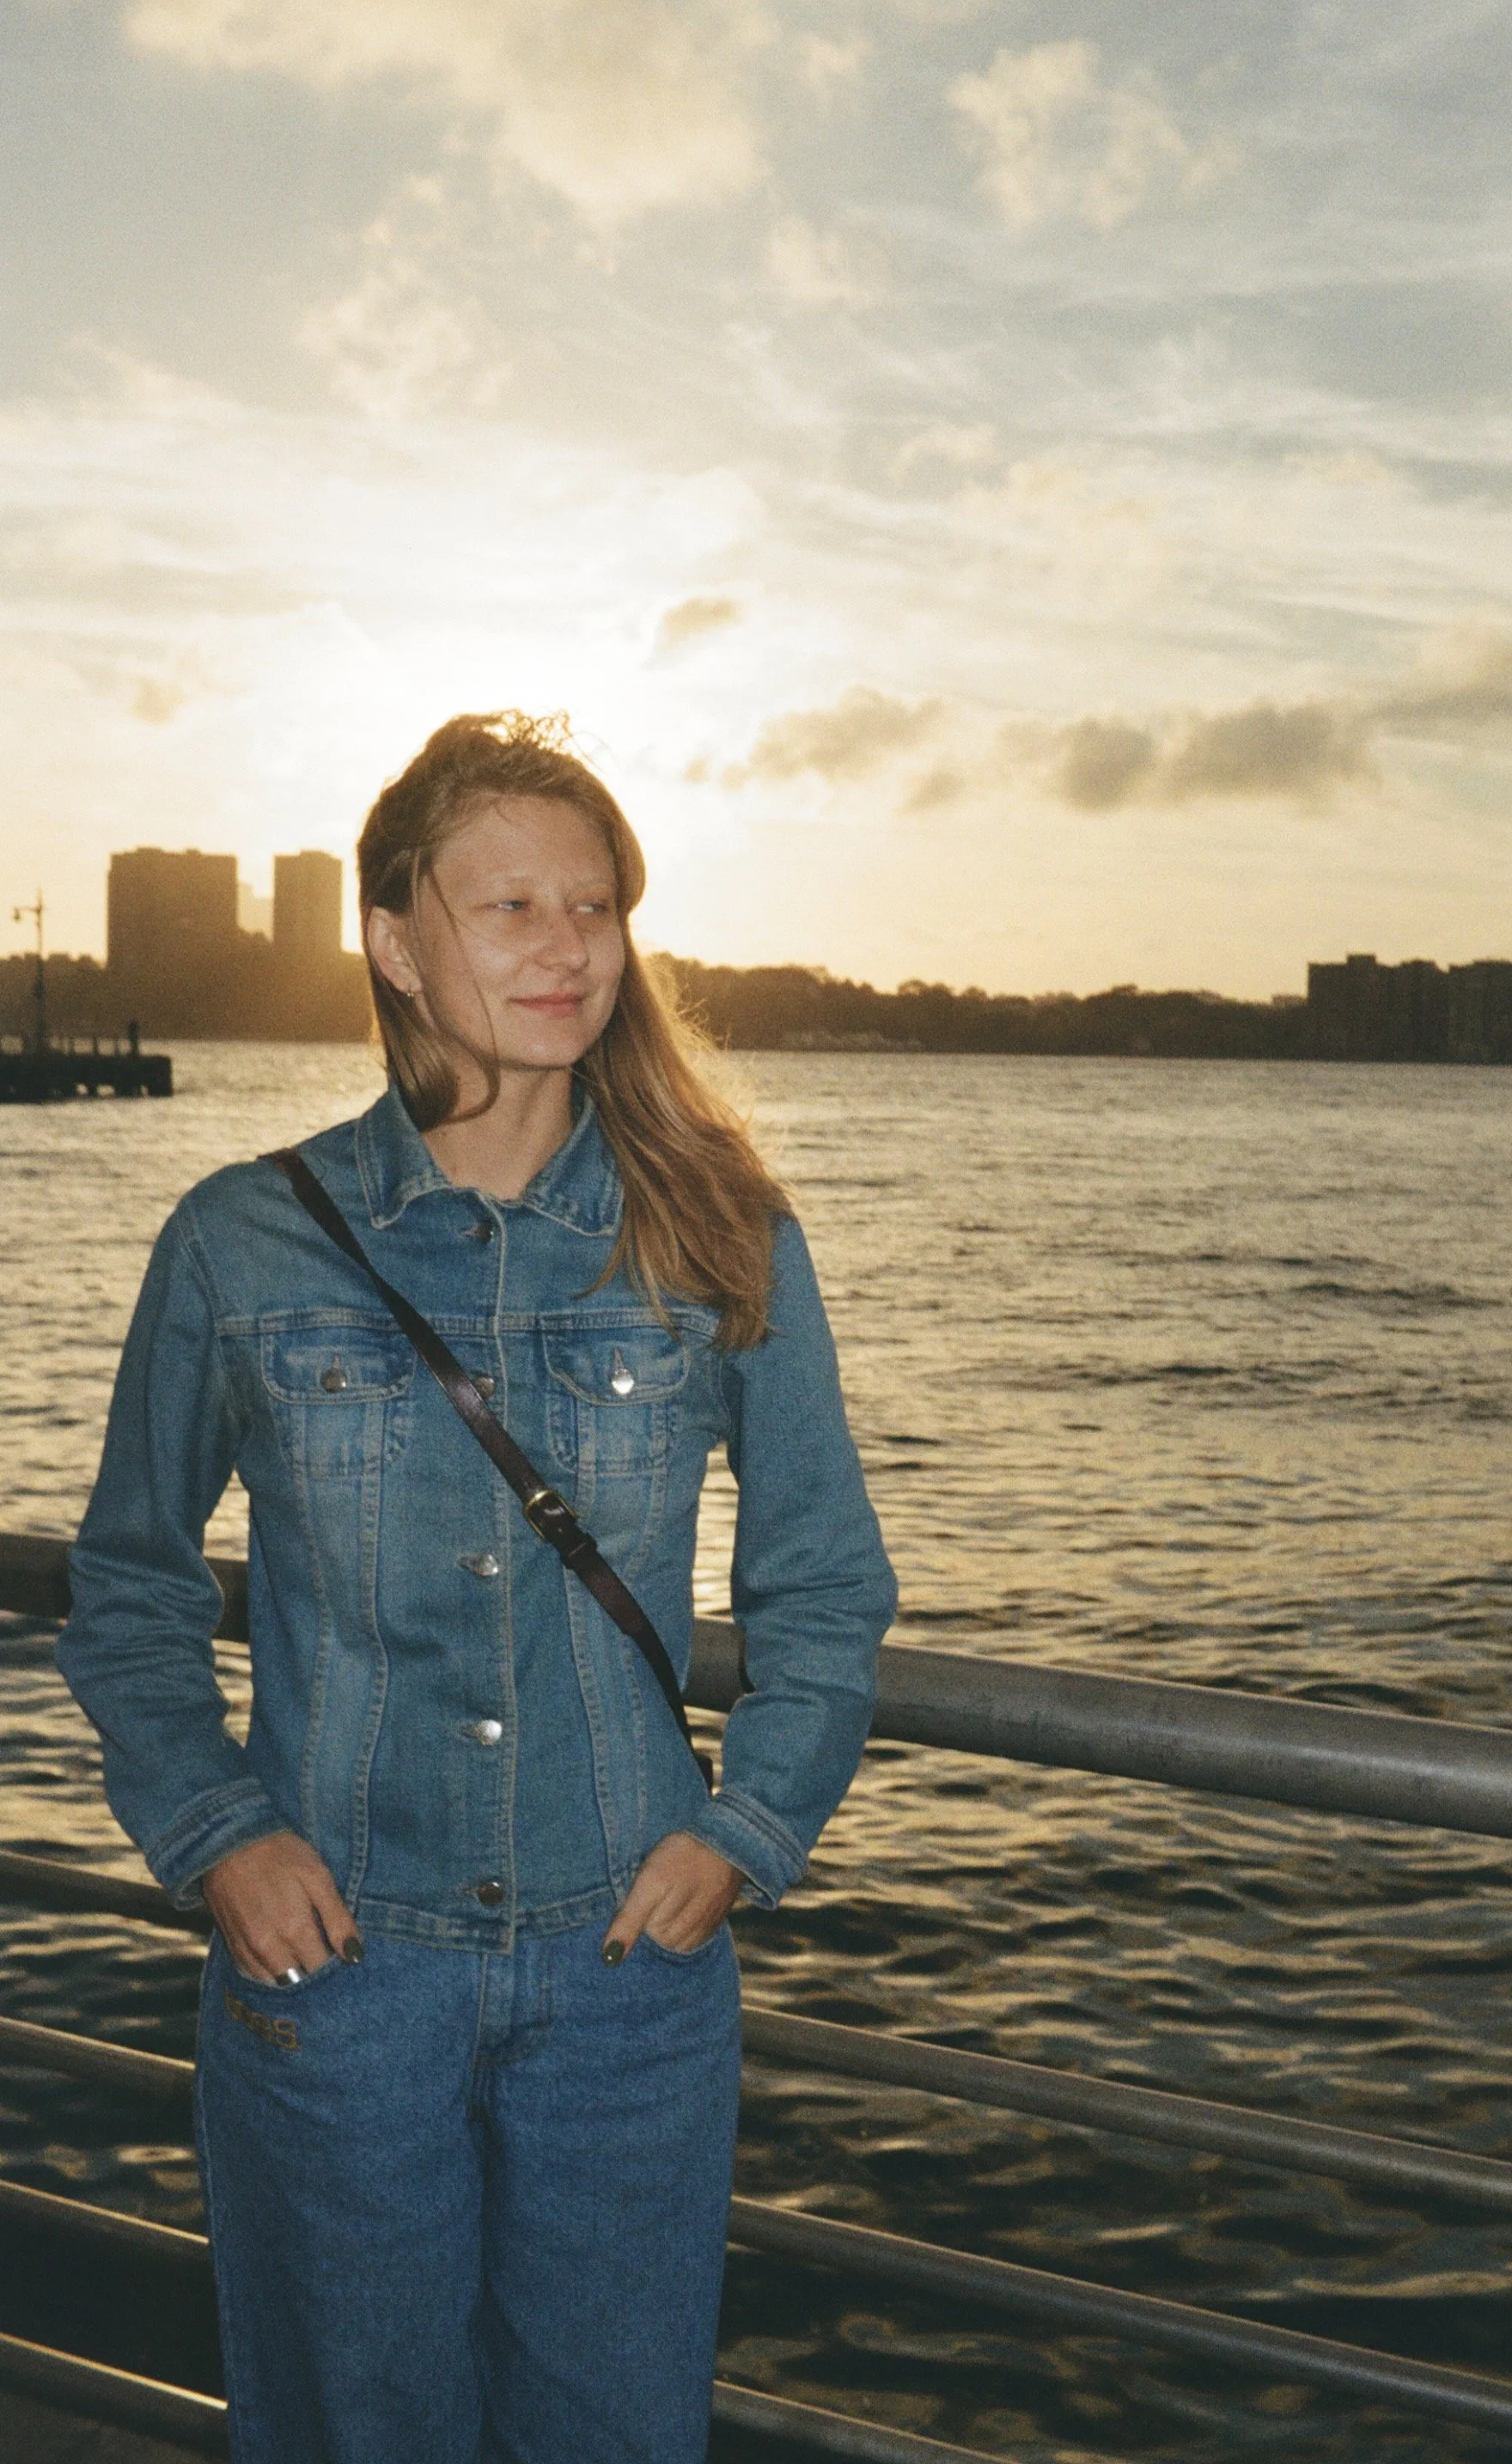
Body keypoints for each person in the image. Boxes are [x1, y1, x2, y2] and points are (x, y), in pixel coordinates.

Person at [58, 713, 898, 2464]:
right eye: (508, 900)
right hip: (338, 1977)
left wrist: (753, 1828)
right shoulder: (239, 1238)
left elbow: (821, 1581)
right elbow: (129, 1580)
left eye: (593, 902)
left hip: (626, 1979)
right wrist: (216, 1827)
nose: (566, 943)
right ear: (393, 938)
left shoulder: (721, 1228)